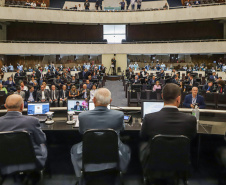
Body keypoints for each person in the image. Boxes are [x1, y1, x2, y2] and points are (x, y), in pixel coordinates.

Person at [71, 88, 131, 178]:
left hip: (89, 151)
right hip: (113, 151)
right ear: (110, 101)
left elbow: (81, 131)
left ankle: (80, 175)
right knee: (127, 148)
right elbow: (122, 129)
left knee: (73, 148)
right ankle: (121, 171)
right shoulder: (119, 115)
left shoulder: (82, 116)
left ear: (94, 100)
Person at [140, 84, 197, 175]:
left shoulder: (149, 118)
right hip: (181, 163)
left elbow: (143, 136)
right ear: (178, 98)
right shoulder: (191, 120)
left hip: (155, 163)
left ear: (162, 96)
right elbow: (193, 138)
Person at [0, 94, 47, 174]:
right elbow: (41, 140)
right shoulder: (32, 121)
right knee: (43, 145)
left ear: (5, 106)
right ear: (22, 106)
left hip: (5, 161)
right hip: (32, 161)